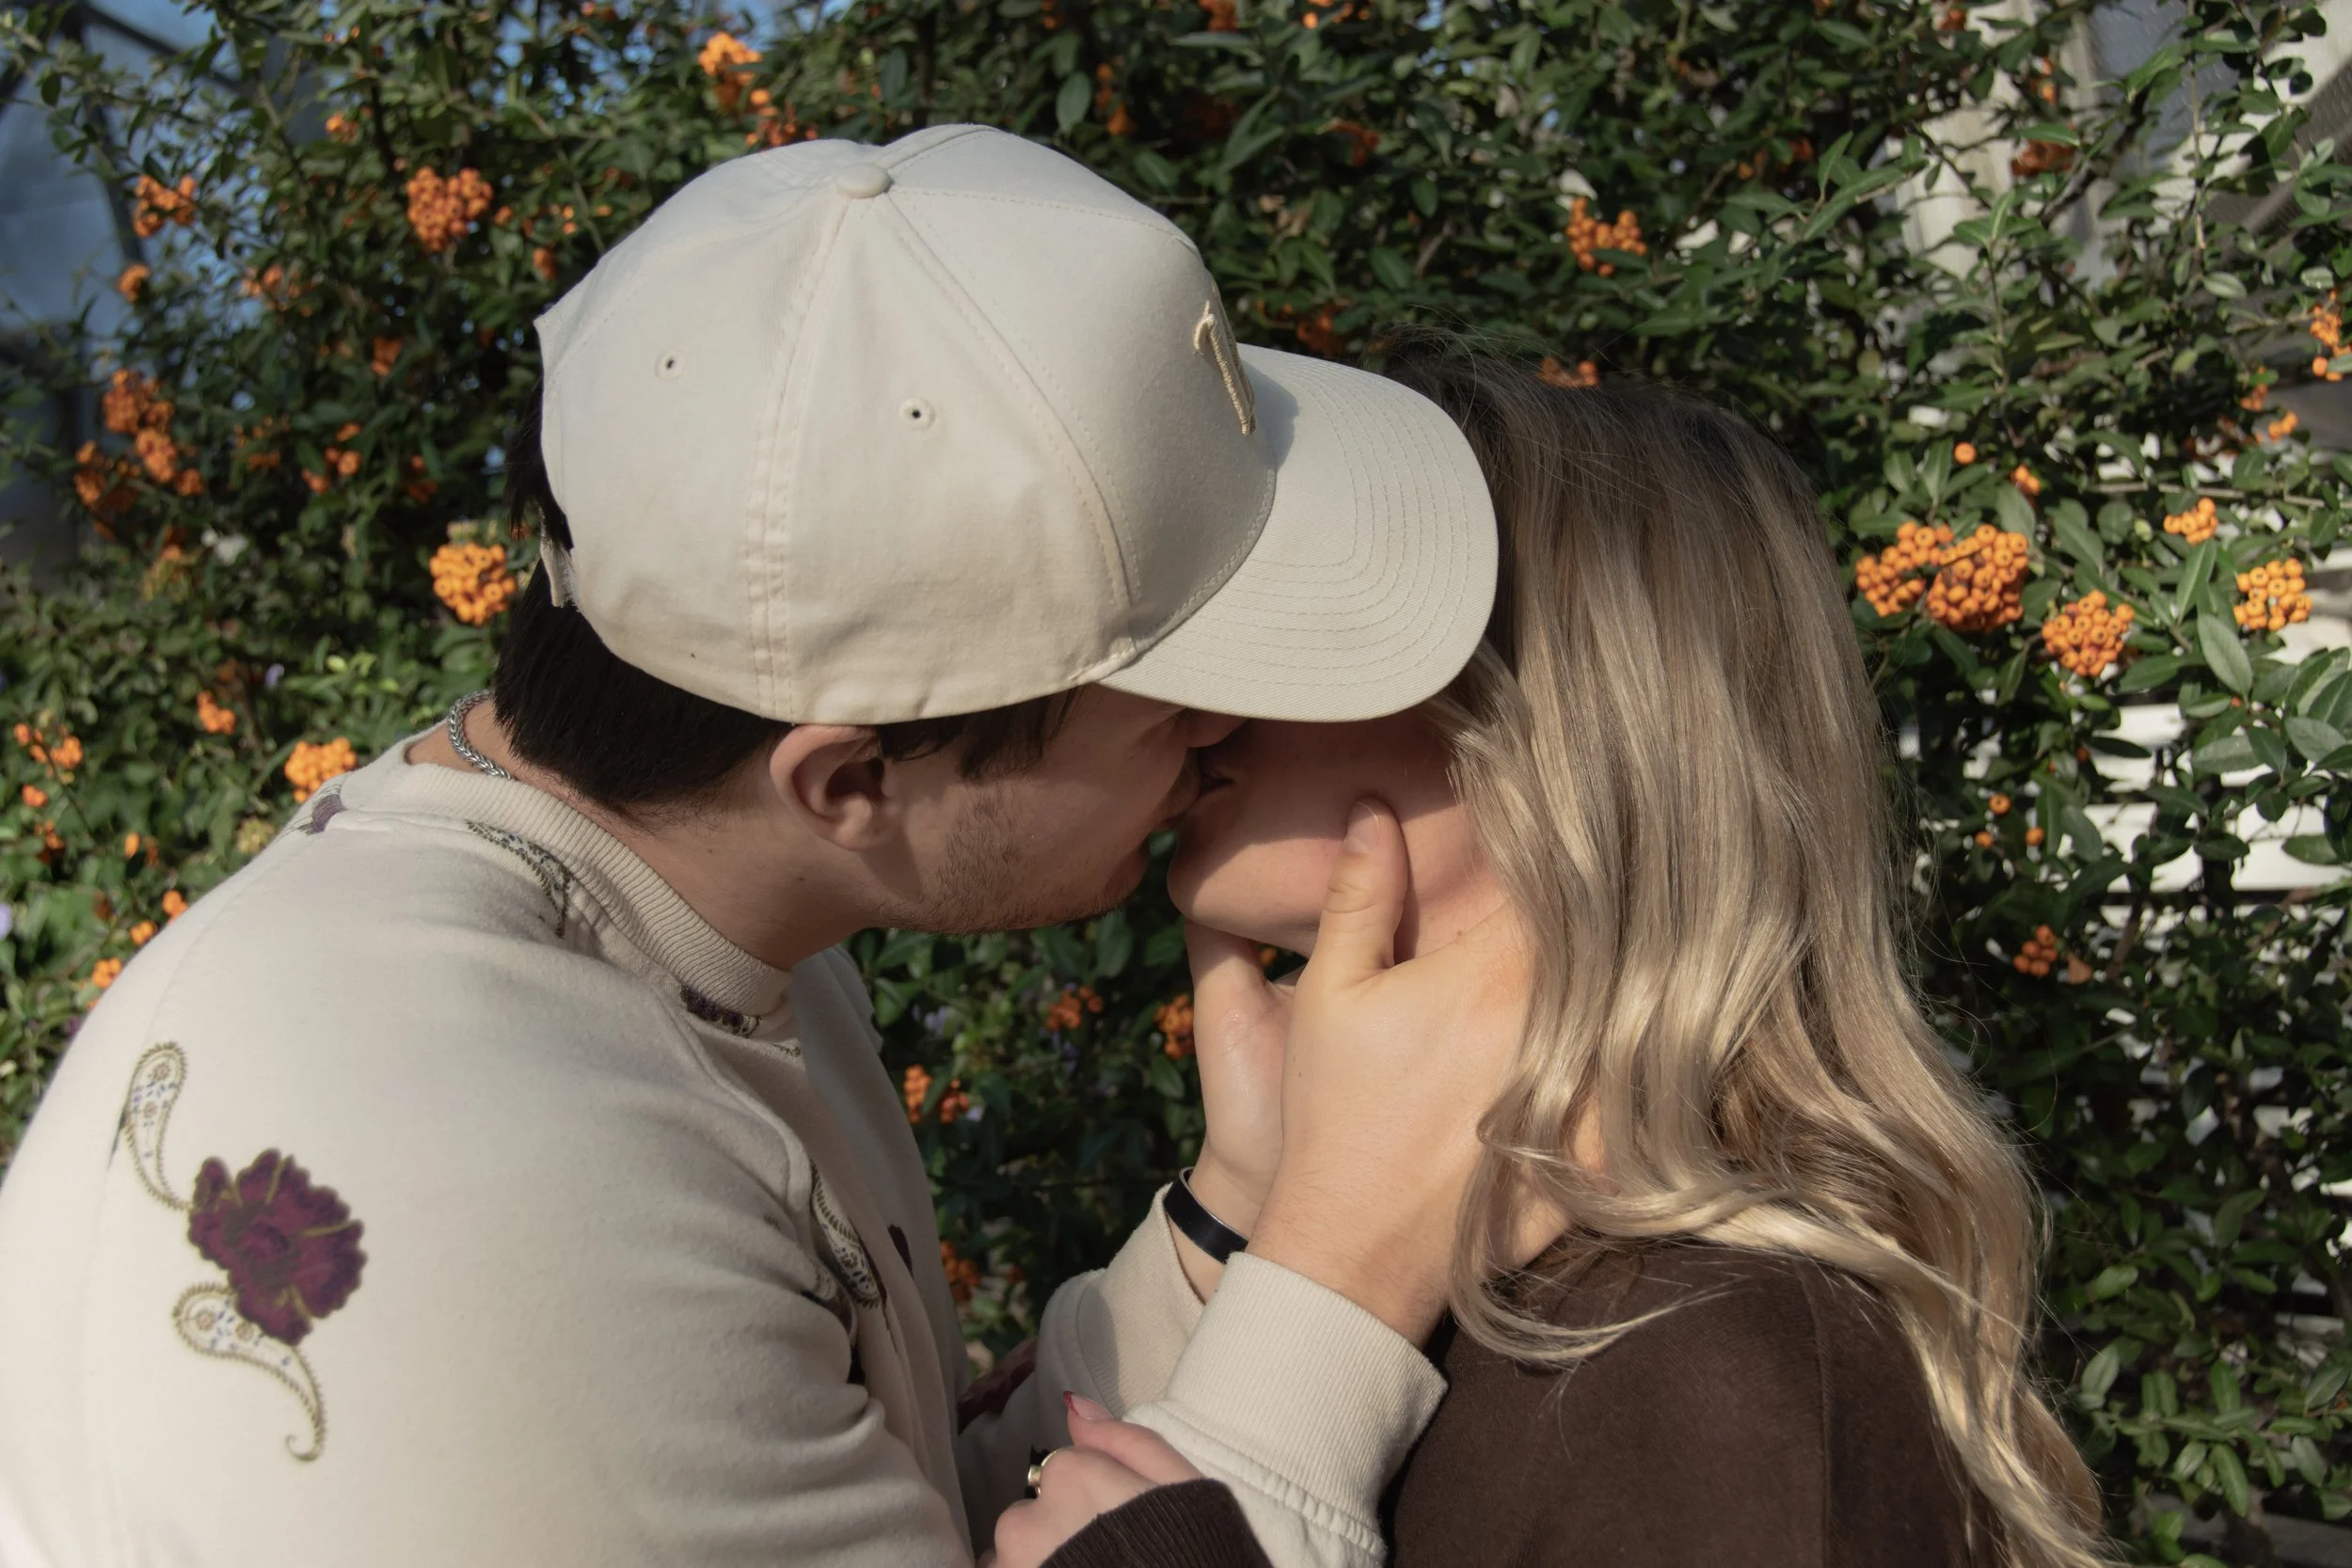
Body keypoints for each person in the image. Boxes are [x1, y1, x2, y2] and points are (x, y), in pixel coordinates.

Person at [0, 127, 1517, 1568]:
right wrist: (1338, 1279)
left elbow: (877, 1502)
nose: (1225, 737)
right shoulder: (510, 1212)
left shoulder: (681, 922)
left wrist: (1235, 1209)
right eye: (1172, 706)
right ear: (849, 779)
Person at [1012, 359, 2114, 1568]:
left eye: (1320, 619)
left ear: (1551, 733)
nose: (1205, 693)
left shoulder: (1717, 1373)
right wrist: (1263, 1202)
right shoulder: (1552, 1302)